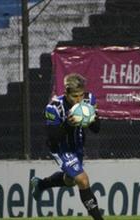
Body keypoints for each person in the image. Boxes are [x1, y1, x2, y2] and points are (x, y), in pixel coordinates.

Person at [31, 73, 103, 220]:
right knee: (82, 180)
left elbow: (97, 129)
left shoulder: (88, 101)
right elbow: (53, 137)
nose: (79, 100)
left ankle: (41, 185)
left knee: (70, 181)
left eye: (81, 95)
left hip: (77, 146)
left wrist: (91, 118)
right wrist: (69, 124)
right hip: (60, 147)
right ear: (66, 93)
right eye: (75, 96)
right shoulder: (53, 107)